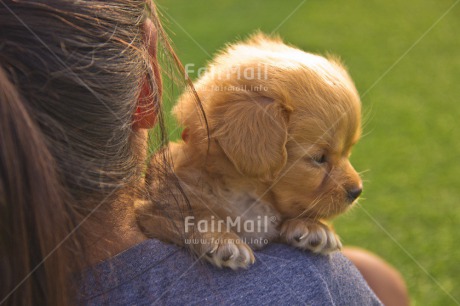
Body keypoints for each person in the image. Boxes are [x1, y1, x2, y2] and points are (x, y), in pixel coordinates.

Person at [0, 1, 408, 305]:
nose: (354, 183)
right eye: (320, 159)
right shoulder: (310, 286)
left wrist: (292, 222)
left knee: (374, 272)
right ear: (148, 81)